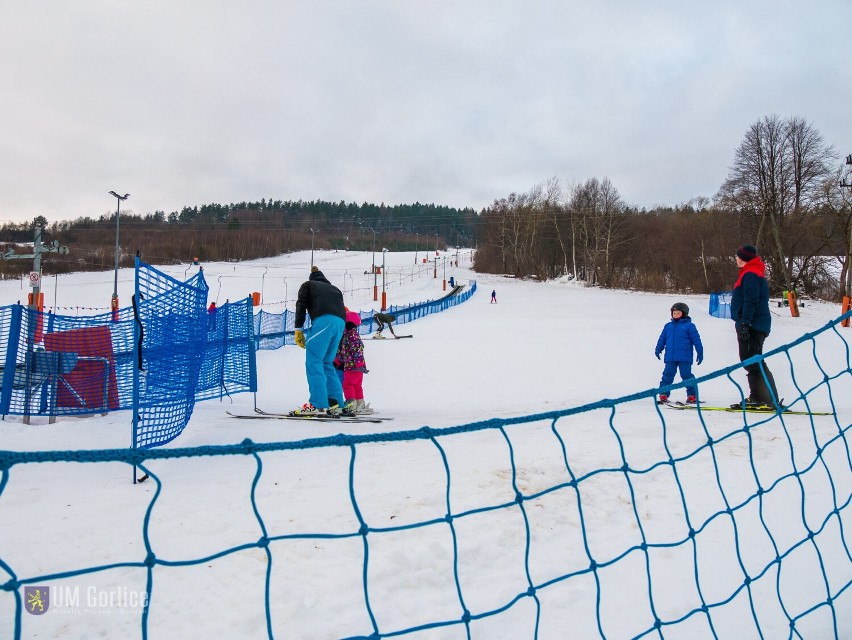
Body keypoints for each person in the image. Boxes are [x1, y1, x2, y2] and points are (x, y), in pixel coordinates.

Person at [730, 244, 781, 409]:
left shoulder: (751, 274)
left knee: (753, 361)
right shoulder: (750, 272)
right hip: (754, 323)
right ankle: (761, 397)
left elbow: (751, 300)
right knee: (751, 361)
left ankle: (764, 398)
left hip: (753, 324)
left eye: (737, 256)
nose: (736, 259)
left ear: (743, 258)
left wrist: (745, 322)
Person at [293, 266, 347, 415]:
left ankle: (318, 404)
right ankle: (335, 402)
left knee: (314, 361)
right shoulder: (335, 289)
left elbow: (301, 305)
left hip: (324, 321)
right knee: (327, 363)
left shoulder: (308, 285)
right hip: (340, 324)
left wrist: (298, 329)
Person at [655, 302, 704, 404]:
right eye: (674, 313)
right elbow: (662, 339)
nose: (676, 315)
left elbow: (696, 340)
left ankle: (692, 395)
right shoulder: (668, 326)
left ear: (684, 314)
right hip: (670, 356)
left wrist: (700, 352)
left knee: (686, 375)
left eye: (678, 313)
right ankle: (663, 393)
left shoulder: (689, 326)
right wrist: (658, 349)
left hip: (684, 357)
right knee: (667, 375)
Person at [335, 310, 373, 415]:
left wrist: (359, 364)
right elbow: (344, 353)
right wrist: (337, 361)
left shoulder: (349, 337)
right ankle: (360, 404)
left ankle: (351, 404)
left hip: (351, 367)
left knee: (348, 385)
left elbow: (356, 352)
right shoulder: (353, 336)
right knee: (357, 386)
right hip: (357, 368)